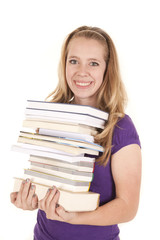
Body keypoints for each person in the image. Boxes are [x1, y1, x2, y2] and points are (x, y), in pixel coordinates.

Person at [10, 25, 142, 240]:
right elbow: (46, 184)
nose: (82, 71)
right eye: (74, 61)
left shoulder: (120, 127)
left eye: (93, 63)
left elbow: (128, 207)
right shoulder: (51, 118)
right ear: (64, 65)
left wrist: (75, 217)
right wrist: (30, 200)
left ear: (107, 69)